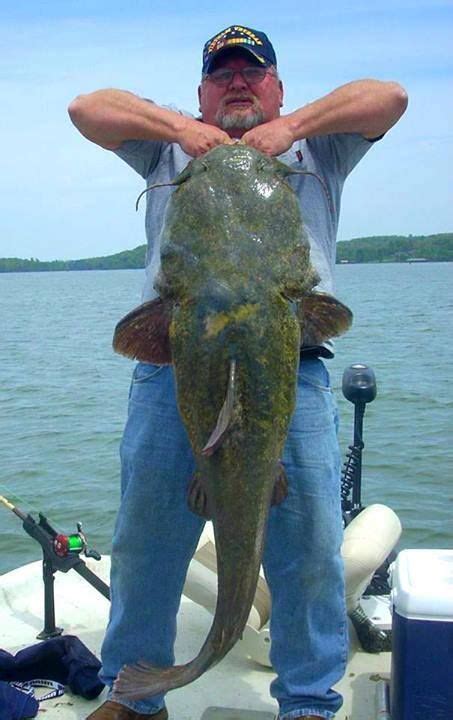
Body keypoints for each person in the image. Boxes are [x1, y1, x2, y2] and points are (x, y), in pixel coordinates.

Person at [69, 25, 407, 720]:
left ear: (276, 86)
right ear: (200, 93)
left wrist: (290, 131)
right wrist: (182, 132)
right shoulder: (169, 146)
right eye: (221, 73)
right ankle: (132, 696)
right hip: (171, 374)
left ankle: (308, 700)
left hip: (293, 375)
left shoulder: (318, 148)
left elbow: (390, 96)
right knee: (144, 543)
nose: (236, 82)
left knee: (307, 550)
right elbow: (85, 109)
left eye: (251, 72)